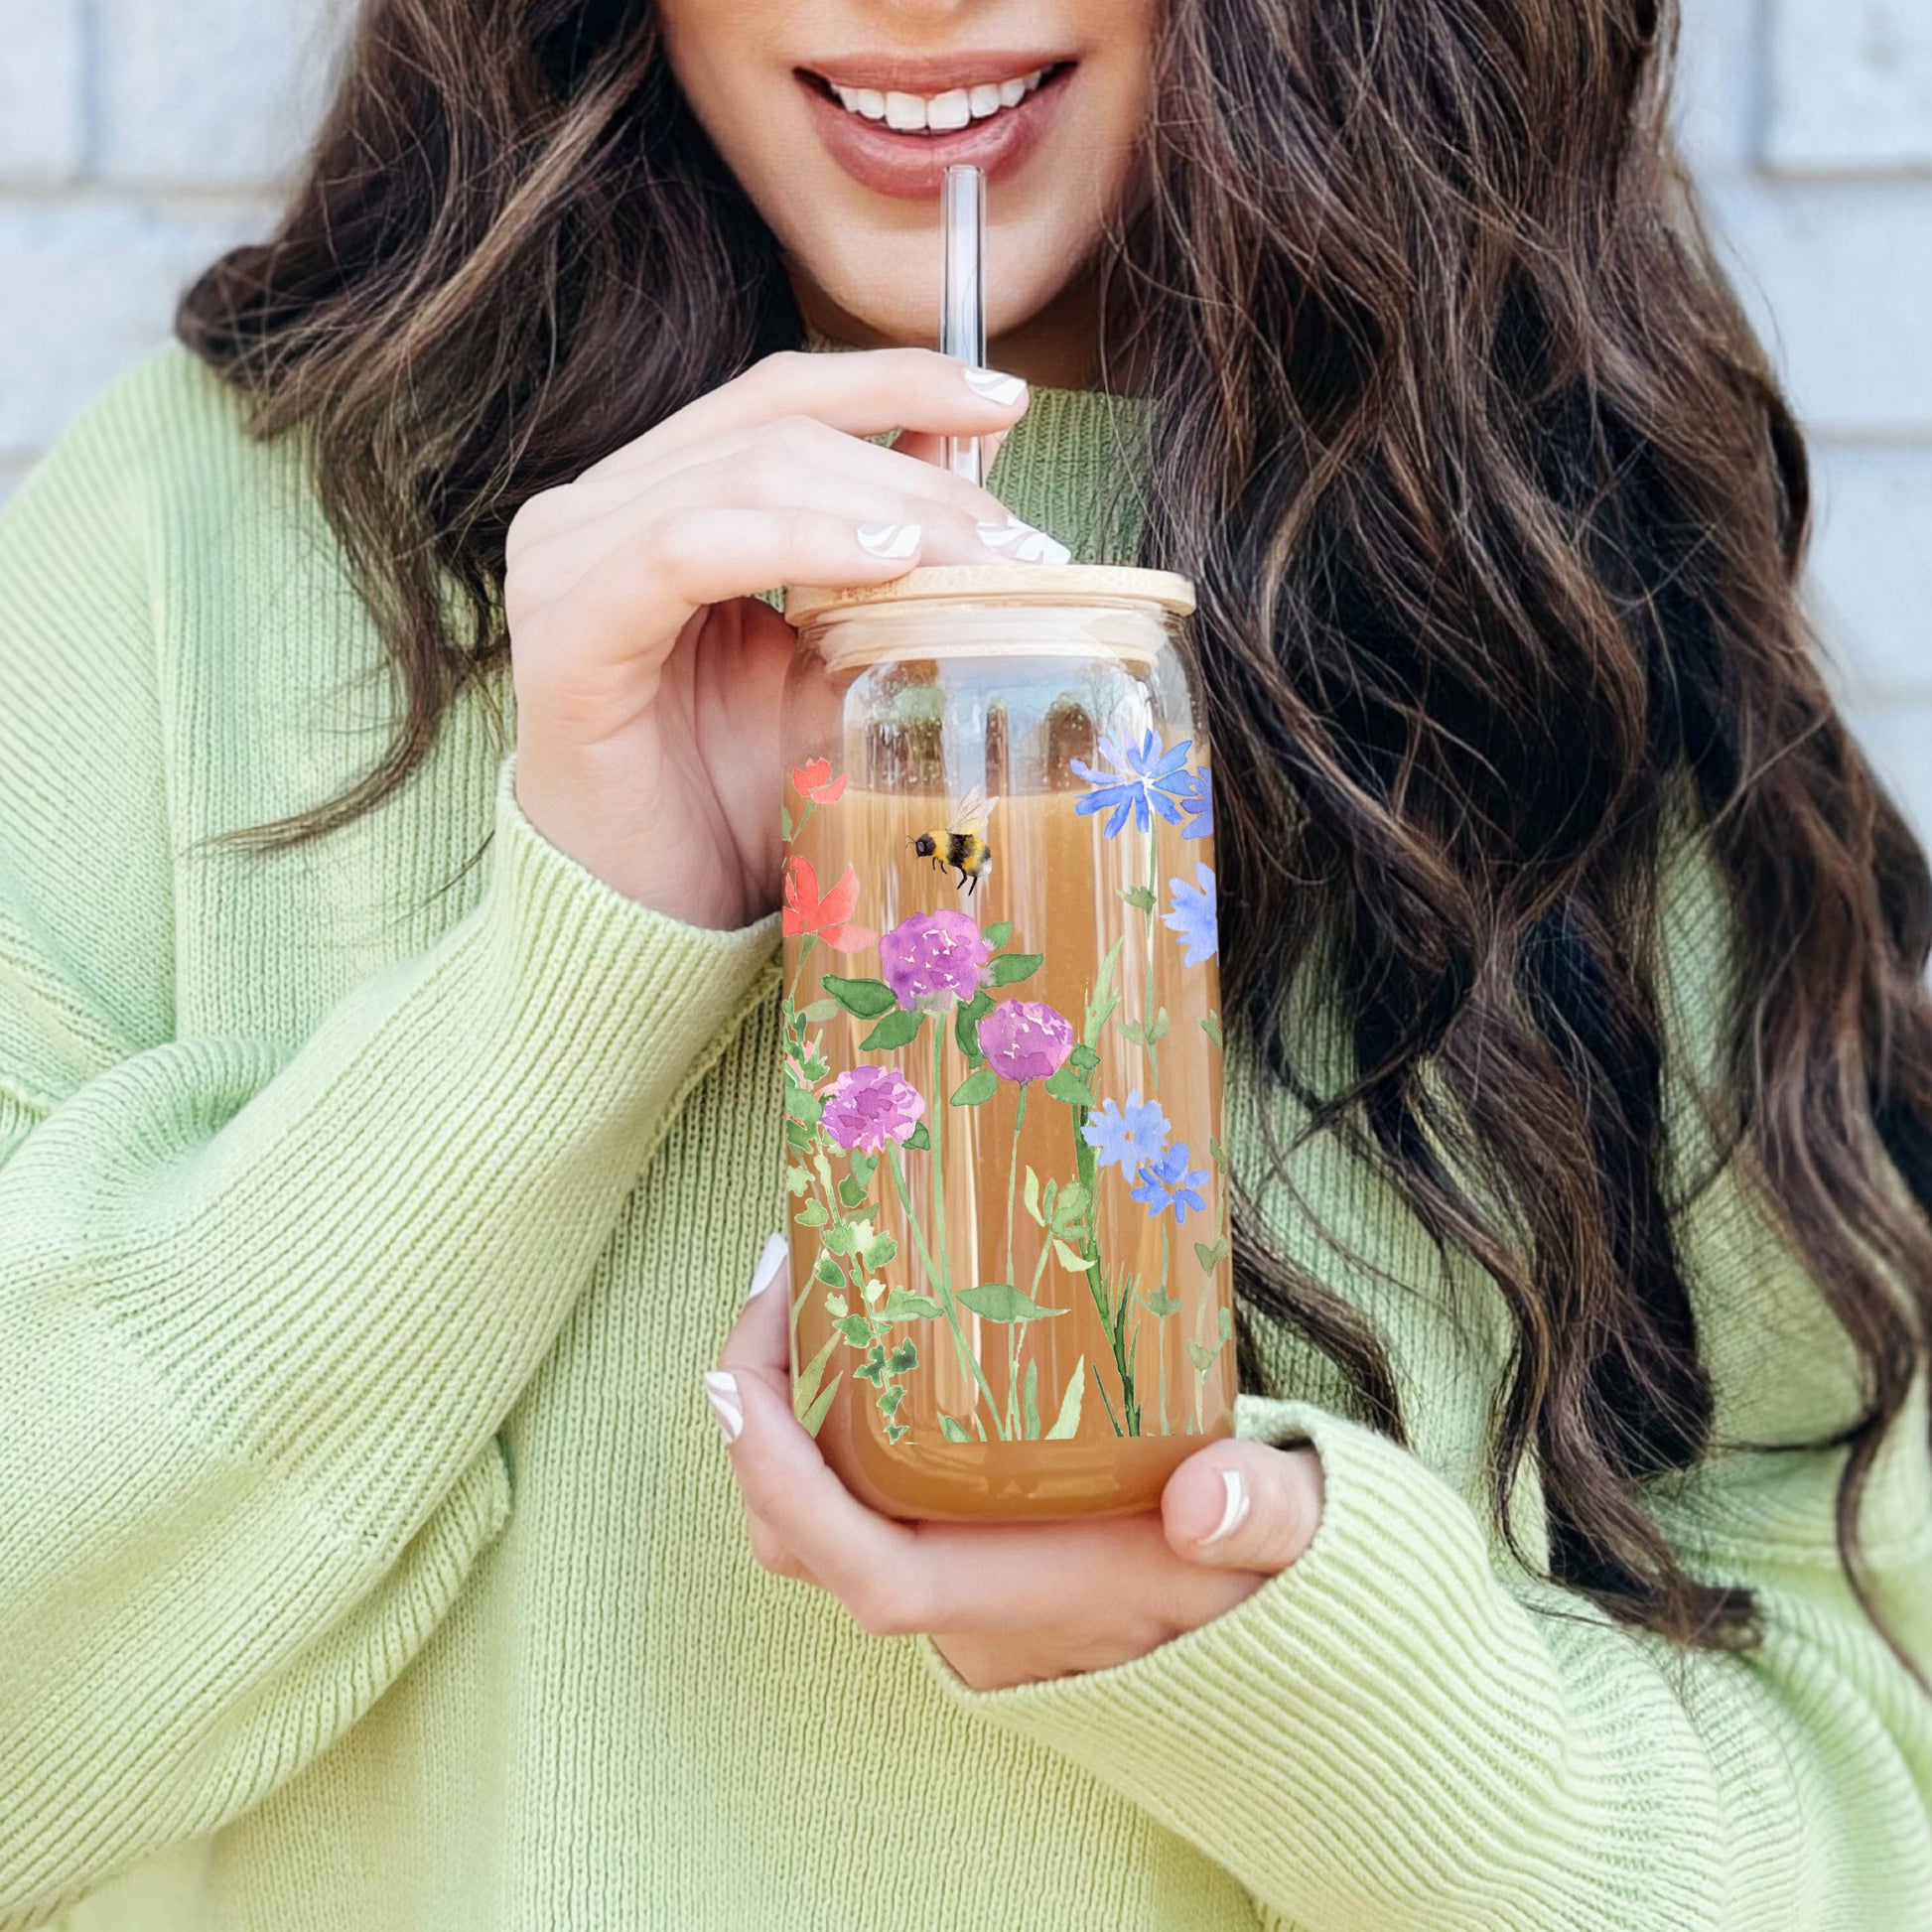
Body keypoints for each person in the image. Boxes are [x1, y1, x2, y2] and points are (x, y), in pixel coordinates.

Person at [1, 0, 1927, 1924]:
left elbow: (1872, 1822)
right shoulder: (207, 543)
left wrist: (1306, 1676)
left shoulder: (1559, 629)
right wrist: (569, 967)